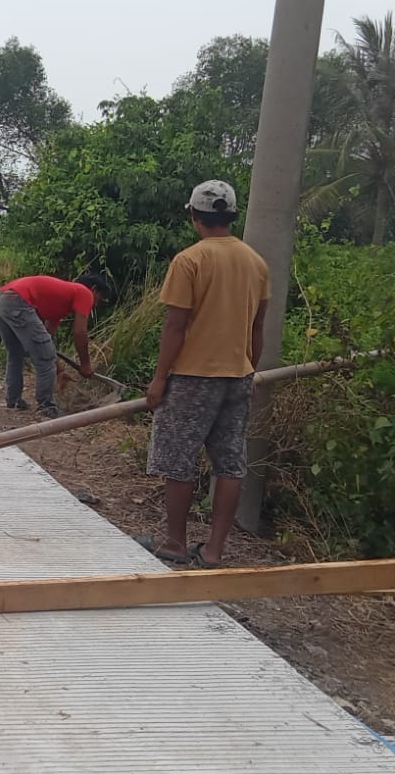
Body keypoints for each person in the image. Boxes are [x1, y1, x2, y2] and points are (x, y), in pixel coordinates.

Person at [137, 179, 270, 568]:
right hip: (237, 377)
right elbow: (257, 329)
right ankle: (214, 551)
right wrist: (251, 373)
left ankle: (175, 544)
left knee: (178, 459)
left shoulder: (190, 260)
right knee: (229, 464)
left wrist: (160, 378)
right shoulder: (256, 262)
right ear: (230, 216)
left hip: (193, 378)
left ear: (195, 216)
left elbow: (176, 325)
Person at [0, 272, 108, 418]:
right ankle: (46, 407)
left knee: (16, 353)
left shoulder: (59, 303)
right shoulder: (84, 293)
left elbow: (47, 344)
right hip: (16, 300)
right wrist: (85, 364)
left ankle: (13, 400)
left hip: (1, 299)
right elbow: (80, 332)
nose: (96, 304)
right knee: (41, 357)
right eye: (99, 298)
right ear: (94, 289)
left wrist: (59, 370)